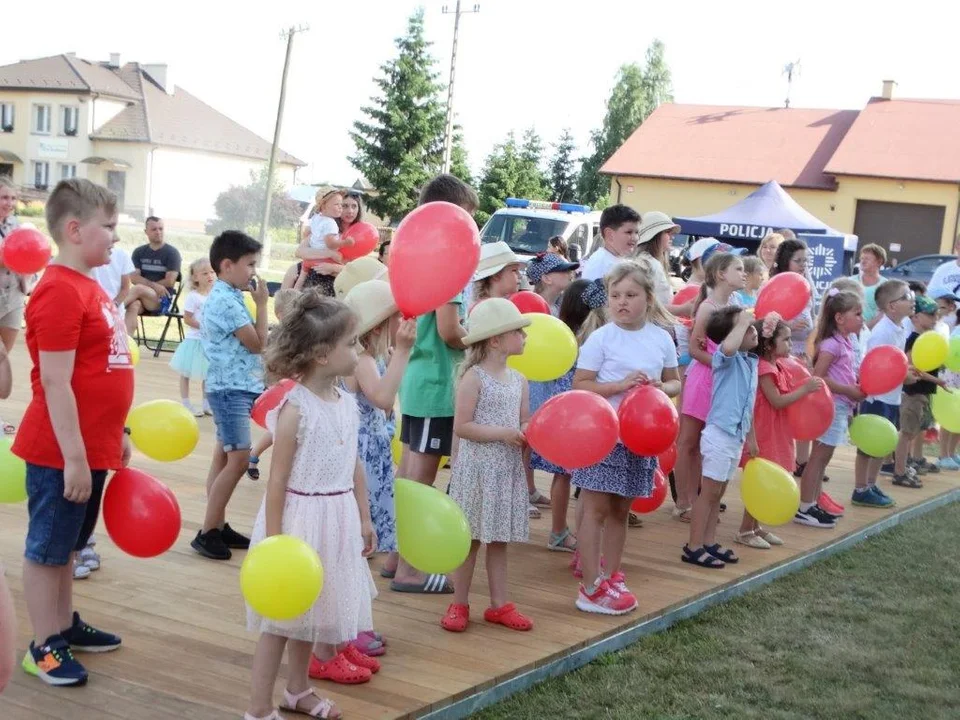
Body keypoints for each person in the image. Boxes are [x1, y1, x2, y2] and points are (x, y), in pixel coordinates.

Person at [12, 179, 133, 687]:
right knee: (47, 549)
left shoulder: (90, 286)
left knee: (69, 545)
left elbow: (102, 367)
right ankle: (43, 645)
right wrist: (77, 458)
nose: (114, 237)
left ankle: (62, 624)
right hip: (61, 450)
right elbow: (56, 382)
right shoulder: (60, 289)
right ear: (74, 229)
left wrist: (116, 430)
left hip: (89, 446)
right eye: (108, 227)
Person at [244, 293, 377, 720]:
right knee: (281, 620)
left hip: (336, 519)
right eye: (352, 343)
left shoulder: (348, 404)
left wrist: (364, 516)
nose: (359, 350)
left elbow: (353, 465)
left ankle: (298, 690)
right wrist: (277, 542)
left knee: (314, 611)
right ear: (322, 355)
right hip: (298, 522)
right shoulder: (295, 409)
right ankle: (259, 708)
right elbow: (278, 478)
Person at [572, 262, 680, 613]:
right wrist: (618, 386)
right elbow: (581, 384)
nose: (622, 302)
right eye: (615, 296)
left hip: (640, 439)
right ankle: (589, 586)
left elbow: (676, 381)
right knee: (595, 509)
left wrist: (661, 388)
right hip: (605, 436)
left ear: (648, 299)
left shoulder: (661, 337)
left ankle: (612, 574)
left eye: (631, 295)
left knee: (621, 509)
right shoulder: (602, 338)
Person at [391, 174, 476, 593]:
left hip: (417, 379)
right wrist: (479, 338)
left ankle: (394, 556)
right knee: (419, 479)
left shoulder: (417, 257)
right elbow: (449, 330)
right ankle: (410, 568)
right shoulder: (451, 268)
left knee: (408, 472)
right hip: (439, 384)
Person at [441, 299, 534, 632]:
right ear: (496, 340)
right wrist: (504, 433)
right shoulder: (474, 378)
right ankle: (459, 602)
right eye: (517, 331)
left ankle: (499, 604)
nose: (524, 336)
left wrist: (530, 431)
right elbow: (462, 426)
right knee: (471, 540)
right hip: (479, 471)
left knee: (499, 539)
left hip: (506, 470)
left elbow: (524, 419)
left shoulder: (520, 380)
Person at [340, 281, 416, 639]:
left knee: (360, 549)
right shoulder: (364, 360)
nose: (400, 321)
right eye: (394, 316)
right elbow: (384, 398)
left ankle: (357, 623)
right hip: (361, 458)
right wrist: (402, 352)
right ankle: (352, 626)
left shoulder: (369, 357)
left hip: (370, 453)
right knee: (358, 546)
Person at [192, 231, 269, 560]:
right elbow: (258, 342)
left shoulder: (228, 296)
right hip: (231, 390)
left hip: (228, 387)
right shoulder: (226, 300)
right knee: (238, 459)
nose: (254, 271)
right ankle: (208, 530)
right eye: (250, 264)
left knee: (223, 457)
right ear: (227, 265)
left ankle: (217, 523)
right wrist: (264, 305)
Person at [530, 278, 605, 560]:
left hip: (565, 412)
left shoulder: (567, 336)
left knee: (565, 475)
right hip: (576, 415)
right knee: (571, 475)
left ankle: (562, 530)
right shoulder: (585, 341)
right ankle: (562, 531)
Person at [682, 306, 759, 569]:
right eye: (746, 327)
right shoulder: (724, 359)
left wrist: (750, 438)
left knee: (719, 493)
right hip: (719, 435)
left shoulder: (750, 362)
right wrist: (742, 323)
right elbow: (727, 348)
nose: (752, 330)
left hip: (735, 437)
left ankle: (709, 541)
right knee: (709, 492)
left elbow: (747, 405)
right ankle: (693, 546)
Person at [735, 316, 821, 548]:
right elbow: (777, 401)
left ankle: (756, 527)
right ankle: (745, 530)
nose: (791, 345)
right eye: (786, 340)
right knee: (761, 481)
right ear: (769, 344)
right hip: (765, 431)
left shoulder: (778, 365)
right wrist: (806, 389)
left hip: (777, 429)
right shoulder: (764, 368)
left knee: (771, 477)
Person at [674, 252, 746, 523]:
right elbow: (694, 348)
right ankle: (684, 501)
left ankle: (702, 499)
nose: (744, 273)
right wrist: (720, 364)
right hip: (704, 380)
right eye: (738, 269)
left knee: (709, 442)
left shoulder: (735, 304)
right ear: (721, 275)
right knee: (689, 441)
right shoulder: (708, 307)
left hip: (722, 384)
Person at [796, 290, 866, 527]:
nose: (862, 318)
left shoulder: (845, 341)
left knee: (823, 458)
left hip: (839, 405)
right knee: (818, 457)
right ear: (839, 318)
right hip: (830, 406)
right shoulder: (831, 345)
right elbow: (819, 377)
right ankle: (805, 507)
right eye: (857, 313)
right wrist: (848, 390)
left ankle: (813, 503)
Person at [853, 279, 914, 508]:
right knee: (869, 445)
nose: (912, 300)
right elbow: (875, 367)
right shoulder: (882, 333)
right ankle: (860, 488)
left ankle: (871, 484)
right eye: (906, 296)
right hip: (877, 398)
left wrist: (906, 372)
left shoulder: (900, 327)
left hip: (892, 396)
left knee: (884, 442)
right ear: (891, 306)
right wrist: (903, 376)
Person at [247, 289, 301, 482]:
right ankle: (280, 473)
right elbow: (271, 363)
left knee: (279, 430)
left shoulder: (301, 335)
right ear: (281, 315)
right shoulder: (278, 336)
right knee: (282, 431)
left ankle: (253, 454)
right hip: (280, 390)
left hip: (295, 389)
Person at [894, 295, 946, 484]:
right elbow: (911, 366)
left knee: (913, 431)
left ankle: (904, 465)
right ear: (915, 317)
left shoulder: (927, 339)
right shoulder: (915, 340)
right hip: (913, 394)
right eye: (930, 315)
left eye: (936, 315)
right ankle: (899, 471)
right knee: (906, 433)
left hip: (921, 394)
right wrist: (938, 381)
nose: (935, 319)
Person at [169, 258, 216, 417]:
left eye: (212, 272)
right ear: (195, 277)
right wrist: (203, 327)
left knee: (208, 374)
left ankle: (206, 403)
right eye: (205, 273)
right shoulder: (194, 297)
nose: (210, 276)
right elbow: (188, 318)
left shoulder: (215, 294)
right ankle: (186, 402)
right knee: (186, 372)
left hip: (210, 342)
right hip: (195, 340)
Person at [92, 235, 153, 336]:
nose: (117, 238)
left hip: (115, 311)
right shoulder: (86, 257)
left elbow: (125, 288)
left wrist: (113, 306)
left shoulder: (122, 255)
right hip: (93, 312)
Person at [296, 189, 351, 296]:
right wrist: (344, 243)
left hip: (309, 261)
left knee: (301, 279)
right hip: (323, 263)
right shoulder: (331, 223)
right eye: (337, 204)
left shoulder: (316, 218)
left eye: (341, 204)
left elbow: (306, 232)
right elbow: (331, 244)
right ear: (324, 206)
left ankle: (293, 295)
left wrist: (315, 237)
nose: (341, 207)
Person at [130, 216, 182, 319]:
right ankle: (124, 335)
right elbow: (134, 278)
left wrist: (146, 286)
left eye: (161, 229)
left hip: (162, 299)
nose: (158, 232)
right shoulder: (139, 252)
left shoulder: (172, 253)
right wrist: (153, 286)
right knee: (133, 307)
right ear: (146, 232)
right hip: (142, 297)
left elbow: (170, 281)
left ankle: (114, 309)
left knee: (139, 288)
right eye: (154, 229)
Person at [580, 205, 640, 282]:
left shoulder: (619, 261)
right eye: (629, 232)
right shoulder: (601, 265)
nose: (635, 238)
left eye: (637, 232)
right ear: (609, 235)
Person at [634, 211, 679, 306]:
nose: (672, 237)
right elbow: (657, 308)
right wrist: (684, 308)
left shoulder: (645, 261)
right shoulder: (651, 264)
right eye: (667, 232)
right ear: (655, 236)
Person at [854, 244, 887, 328]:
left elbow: (885, 312)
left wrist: (865, 329)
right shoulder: (850, 282)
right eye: (861, 258)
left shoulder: (885, 285)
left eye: (867, 259)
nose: (862, 261)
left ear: (879, 262)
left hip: (873, 333)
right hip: (851, 332)